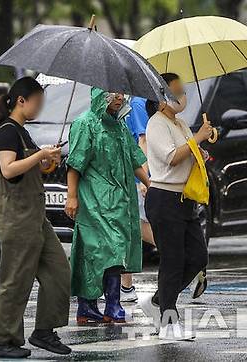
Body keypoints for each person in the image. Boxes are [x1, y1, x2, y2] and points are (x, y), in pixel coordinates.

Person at [0, 76, 72, 359]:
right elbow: (9, 169)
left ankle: (45, 331)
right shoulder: (8, 131)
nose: (40, 107)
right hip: (15, 216)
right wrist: (40, 156)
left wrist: (46, 161)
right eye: (37, 101)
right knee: (16, 281)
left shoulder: (22, 132)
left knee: (59, 271)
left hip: (35, 216)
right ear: (21, 100)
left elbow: (26, 169)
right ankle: (3, 340)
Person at [65, 88, 150, 326]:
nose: (120, 98)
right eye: (113, 93)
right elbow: (75, 163)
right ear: (99, 95)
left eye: (122, 93)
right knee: (97, 251)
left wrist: (149, 184)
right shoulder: (85, 124)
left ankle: (106, 305)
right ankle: (95, 305)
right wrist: (71, 196)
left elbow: (134, 159)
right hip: (93, 198)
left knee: (116, 249)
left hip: (119, 199)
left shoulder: (120, 125)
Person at [139, 73, 211, 340]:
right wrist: (198, 139)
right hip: (164, 198)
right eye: (176, 91)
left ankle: (158, 300)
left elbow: (186, 154)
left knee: (197, 257)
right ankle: (169, 322)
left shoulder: (179, 123)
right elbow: (170, 158)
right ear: (160, 100)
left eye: (182, 90)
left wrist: (199, 152)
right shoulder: (156, 123)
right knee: (172, 260)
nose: (183, 96)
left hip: (184, 199)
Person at [120, 96, 157, 303]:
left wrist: (144, 177)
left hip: (137, 178)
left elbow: (144, 140)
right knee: (131, 229)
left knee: (138, 227)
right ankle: (126, 287)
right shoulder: (135, 102)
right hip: (131, 177)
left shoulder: (135, 104)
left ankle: (182, 256)